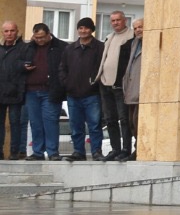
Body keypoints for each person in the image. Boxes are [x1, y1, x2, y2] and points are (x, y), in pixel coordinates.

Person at [60, 18, 105, 162]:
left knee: (94, 125)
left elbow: (103, 68)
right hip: (73, 95)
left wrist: (95, 84)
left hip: (92, 94)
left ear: (92, 30)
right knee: (76, 126)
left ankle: (96, 151)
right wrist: (67, 83)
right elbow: (62, 68)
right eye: (80, 28)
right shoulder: (70, 48)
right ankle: (78, 152)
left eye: (86, 28)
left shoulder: (100, 47)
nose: (83, 31)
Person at [94, 11, 136, 162]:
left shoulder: (132, 36)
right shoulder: (109, 37)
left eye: (118, 20)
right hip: (105, 83)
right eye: (113, 20)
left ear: (125, 20)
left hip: (121, 85)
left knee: (124, 119)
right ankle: (115, 149)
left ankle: (126, 149)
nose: (115, 23)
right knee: (110, 119)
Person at [22, 24, 66, 160]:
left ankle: (52, 152)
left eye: (42, 37)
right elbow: (18, 63)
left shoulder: (61, 47)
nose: (39, 40)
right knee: (35, 123)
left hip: (50, 91)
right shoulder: (29, 47)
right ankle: (37, 152)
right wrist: (23, 67)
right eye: (36, 37)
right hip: (31, 91)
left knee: (50, 122)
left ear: (49, 34)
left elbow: (65, 68)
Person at [0, 22, 28, 159]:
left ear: (17, 31)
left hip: (16, 93)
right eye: (6, 31)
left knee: (15, 123)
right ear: (2, 32)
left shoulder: (24, 48)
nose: (9, 33)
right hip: (0, 92)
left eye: (12, 30)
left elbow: (29, 64)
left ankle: (14, 152)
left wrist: (21, 66)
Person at [123, 19, 143, 160]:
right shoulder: (134, 44)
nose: (138, 30)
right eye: (135, 28)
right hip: (131, 90)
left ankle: (139, 150)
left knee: (138, 123)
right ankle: (136, 150)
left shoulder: (150, 43)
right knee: (131, 123)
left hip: (142, 91)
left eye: (141, 27)